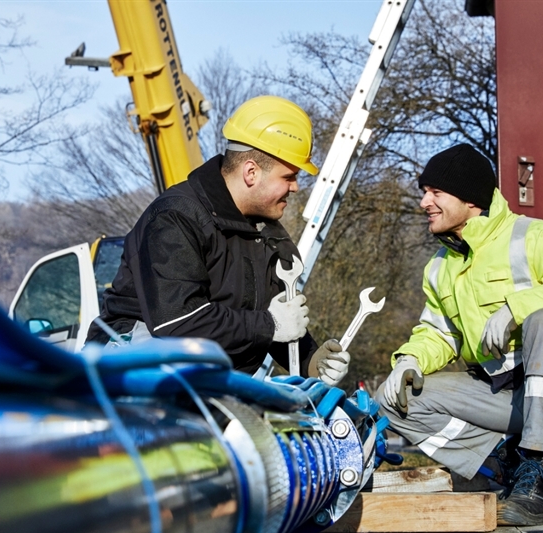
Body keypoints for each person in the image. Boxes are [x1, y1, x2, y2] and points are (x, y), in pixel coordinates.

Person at [376, 143, 543, 526]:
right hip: (505, 397)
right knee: (392, 401)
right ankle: (505, 464)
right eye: (425, 192)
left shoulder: (537, 237)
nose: (424, 202)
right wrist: (409, 360)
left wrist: (517, 307)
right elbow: (439, 333)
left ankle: (540, 477)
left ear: (470, 199)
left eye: (435, 192)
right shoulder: (439, 268)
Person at [87, 95, 351, 385]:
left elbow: (273, 319)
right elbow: (177, 324)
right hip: (128, 372)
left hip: (205, 379)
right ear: (251, 172)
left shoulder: (269, 235)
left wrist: (311, 359)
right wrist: (271, 324)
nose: (296, 187)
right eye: (288, 176)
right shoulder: (174, 218)